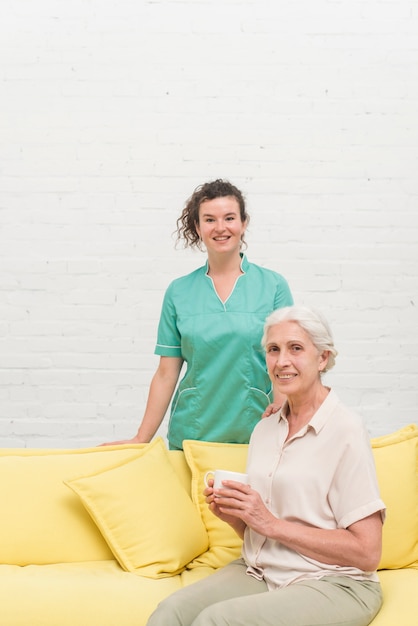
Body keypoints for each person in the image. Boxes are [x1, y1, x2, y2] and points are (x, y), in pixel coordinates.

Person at [146, 305, 385, 626]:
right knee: (169, 613)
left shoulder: (346, 430)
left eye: (296, 348)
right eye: (273, 350)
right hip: (262, 569)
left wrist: (270, 523)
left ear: (323, 358)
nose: (281, 361)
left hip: (335, 581)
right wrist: (236, 516)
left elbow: (368, 552)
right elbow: (265, 528)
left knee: (216, 620)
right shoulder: (265, 428)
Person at [104, 179, 293, 450]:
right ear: (198, 227)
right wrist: (140, 439)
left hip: (257, 432)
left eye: (229, 218)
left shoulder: (273, 286)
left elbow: (285, 364)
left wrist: (285, 422)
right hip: (192, 433)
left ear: (243, 223)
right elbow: (166, 373)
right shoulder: (179, 292)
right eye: (209, 219)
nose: (220, 228)